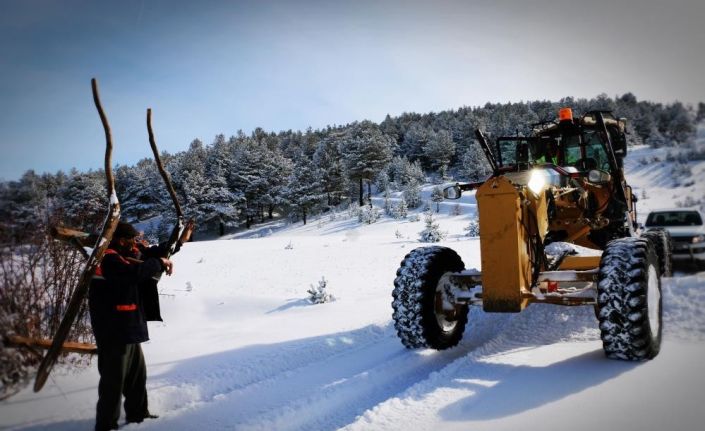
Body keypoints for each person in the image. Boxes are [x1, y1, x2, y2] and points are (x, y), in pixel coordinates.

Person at [89, 220, 193, 431]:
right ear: (120, 240)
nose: (136, 243)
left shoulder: (126, 252)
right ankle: (106, 425)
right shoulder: (107, 258)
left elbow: (153, 253)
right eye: (132, 239)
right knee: (113, 381)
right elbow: (131, 274)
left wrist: (179, 240)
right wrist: (158, 263)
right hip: (113, 329)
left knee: (137, 376)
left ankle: (138, 415)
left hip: (128, 327)